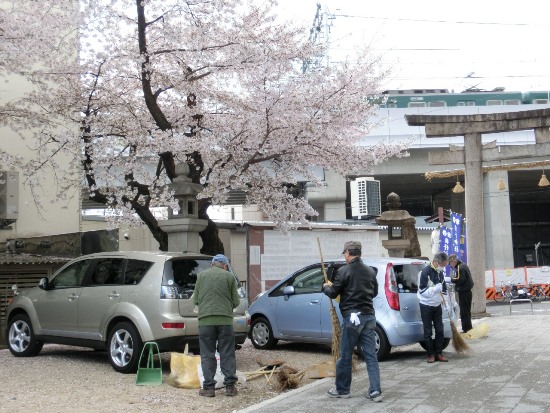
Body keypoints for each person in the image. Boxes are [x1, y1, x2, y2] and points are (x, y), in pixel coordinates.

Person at [322, 241, 382, 402]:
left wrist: (326, 286)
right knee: (370, 356)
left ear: (348, 252)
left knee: (345, 355)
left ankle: (342, 390)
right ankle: (375, 391)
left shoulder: (344, 271)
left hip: (353, 318)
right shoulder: (370, 271)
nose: (345, 256)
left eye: (345, 253)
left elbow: (333, 293)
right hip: (369, 316)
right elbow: (374, 292)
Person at [193, 254, 241, 397]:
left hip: (206, 321)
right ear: (225, 265)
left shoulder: (201, 276)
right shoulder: (229, 277)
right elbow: (236, 302)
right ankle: (230, 387)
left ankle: (208, 388)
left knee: (207, 354)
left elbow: (196, 300)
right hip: (225, 321)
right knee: (227, 352)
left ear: (213, 264)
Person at [418, 251, 449, 363]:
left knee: (440, 330)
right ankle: (430, 354)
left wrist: (446, 303)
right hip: (426, 305)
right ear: (436, 262)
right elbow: (422, 291)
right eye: (443, 265)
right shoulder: (425, 272)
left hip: (437, 306)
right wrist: (434, 290)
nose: (443, 267)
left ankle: (439, 353)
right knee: (428, 331)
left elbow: (444, 290)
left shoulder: (440, 273)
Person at [447, 254, 474, 333]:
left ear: (454, 261)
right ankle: (468, 327)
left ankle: (466, 329)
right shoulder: (463, 265)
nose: (450, 265)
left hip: (464, 291)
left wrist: (451, 279)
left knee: (464, 311)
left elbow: (460, 279)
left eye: (450, 263)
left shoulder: (460, 267)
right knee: (466, 310)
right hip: (467, 291)